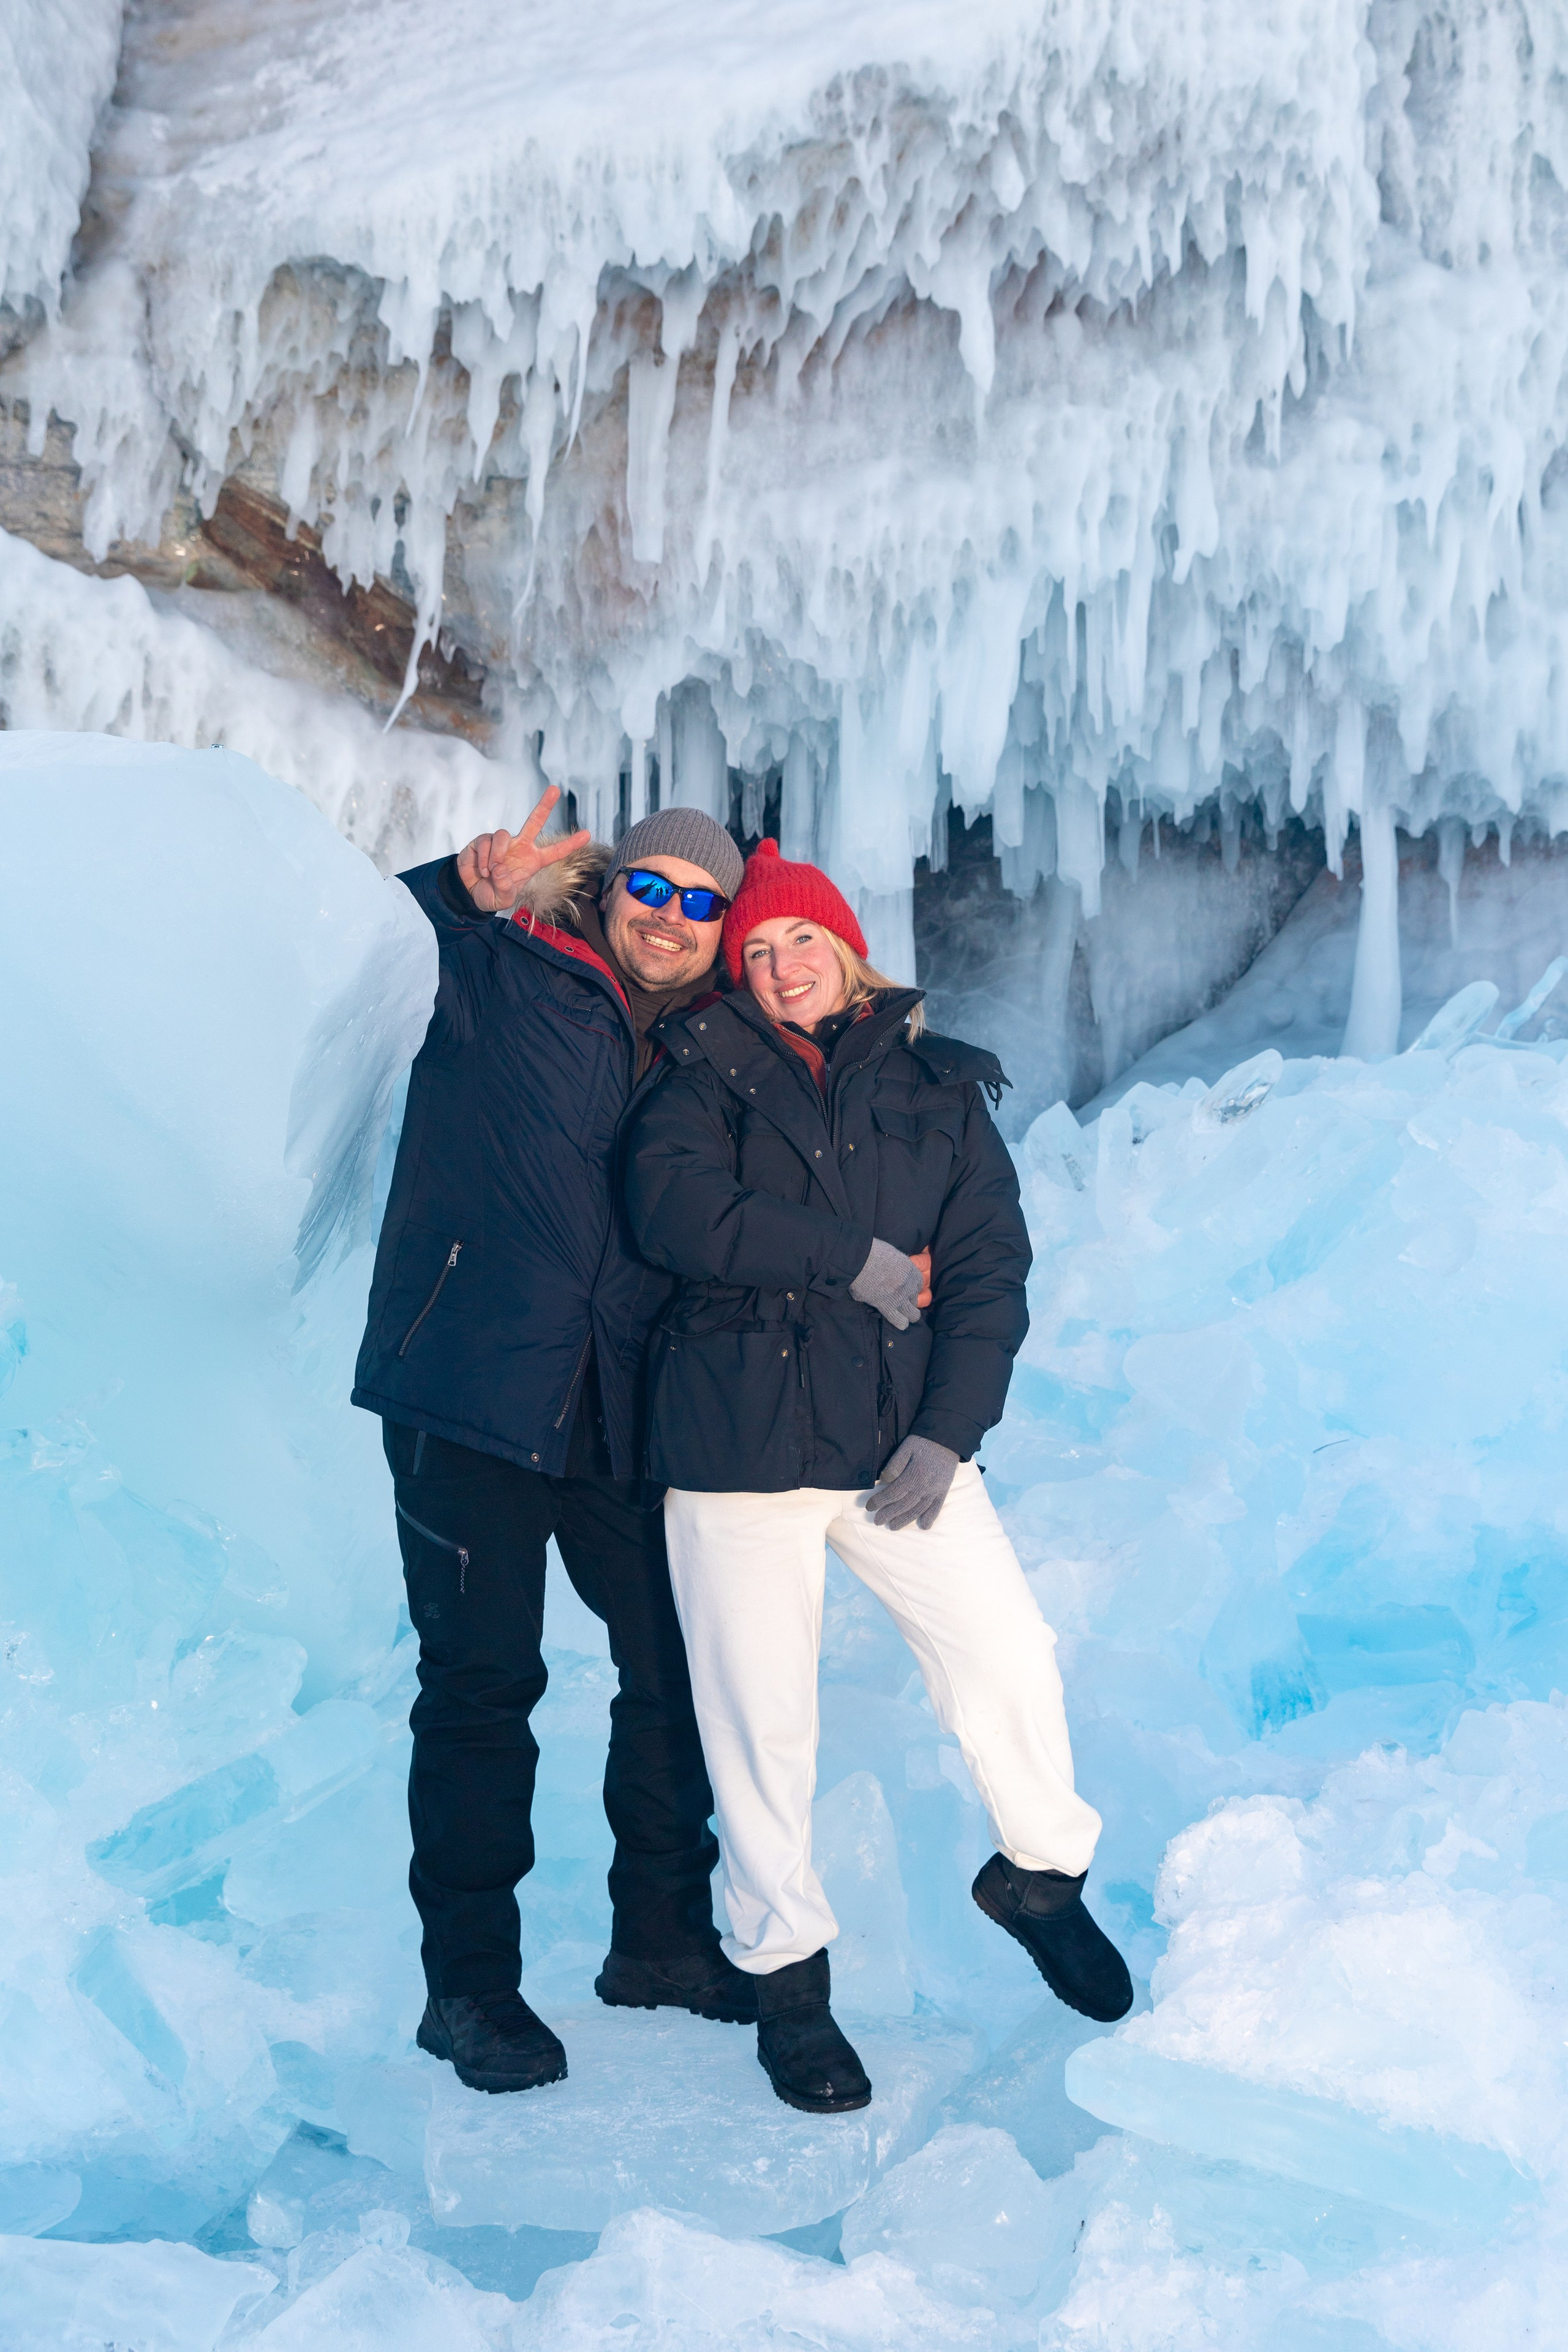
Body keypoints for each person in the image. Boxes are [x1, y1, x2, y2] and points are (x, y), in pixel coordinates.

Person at [624, 838, 1132, 2114]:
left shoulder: (938, 1093)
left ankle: (1038, 1875)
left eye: (802, 941)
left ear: (847, 952)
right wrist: (846, 1256)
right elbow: (675, 1216)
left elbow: (984, 1278)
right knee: (759, 1726)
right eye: (756, 950)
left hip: (893, 1447)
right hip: (736, 1453)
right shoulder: (695, 1076)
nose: (781, 966)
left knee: (1006, 1656)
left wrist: (947, 1434)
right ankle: (788, 1985)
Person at [352, 786, 758, 2095]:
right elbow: (354, 957)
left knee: (676, 1672)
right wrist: (450, 893)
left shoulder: (716, 1040)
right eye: (651, 887)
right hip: (466, 1381)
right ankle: (468, 1991)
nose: (671, 918)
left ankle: (663, 1946)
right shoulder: (493, 965)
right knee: (482, 1691)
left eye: (702, 904)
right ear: (609, 888)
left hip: (621, 1400)